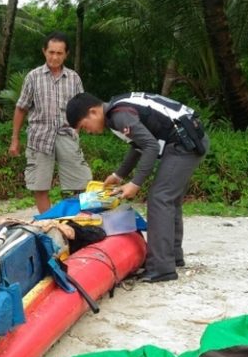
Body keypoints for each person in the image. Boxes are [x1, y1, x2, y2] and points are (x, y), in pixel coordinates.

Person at [66, 91, 209, 283]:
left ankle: (161, 268)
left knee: (160, 198)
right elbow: (138, 145)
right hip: (187, 137)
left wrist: (135, 183)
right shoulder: (116, 110)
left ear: (93, 112)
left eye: (84, 127)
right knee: (169, 199)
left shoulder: (119, 115)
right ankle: (172, 257)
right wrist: (119, 175)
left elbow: (150, 146)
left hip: (184, 142)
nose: (88, 132)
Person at [9, 31, 92, 213]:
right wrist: (15, 139)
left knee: (82, 182)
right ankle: (50, 225)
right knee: (40, 185)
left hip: (66, 135)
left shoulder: (74, 78)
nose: (55, 57)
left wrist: (77, 129)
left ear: (66, 54)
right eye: (51, 52)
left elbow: (82, 107)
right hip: (39, 137)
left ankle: (78, 222)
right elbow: (21, 107)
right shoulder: (33, 77)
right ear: (44, 52)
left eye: (59, 53)